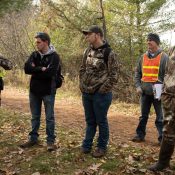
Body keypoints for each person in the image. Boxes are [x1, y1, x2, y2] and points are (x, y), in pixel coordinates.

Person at [79, 25, 119, 158]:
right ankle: (87, 145)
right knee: (90, 120)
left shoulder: (109, 53)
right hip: (86, 93)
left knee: (101, 121)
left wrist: (102, 90)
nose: (86, 37)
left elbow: (114, 76)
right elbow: (82, 69)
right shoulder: (87, 51)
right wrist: (82, 83)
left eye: (88, 34)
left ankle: (101, 147)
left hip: (101, 94)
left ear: (96, 35)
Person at [20, 32, 60, 151]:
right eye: (36, 42)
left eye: (38, 42)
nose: (36, 44)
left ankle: (50, 142)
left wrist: (35, 71)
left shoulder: (54, 56)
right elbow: (27, 69)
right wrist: (41, 69)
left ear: (46, 42)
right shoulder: (34, 54)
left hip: (48, 91)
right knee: (35, 116)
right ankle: (33, 139)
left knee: (49, 117)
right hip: (34, 91)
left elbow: (50, 73)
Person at [132, 33, 168, 144]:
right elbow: (137, 73)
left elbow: (168, 75)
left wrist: (164, 90)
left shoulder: (164, 57)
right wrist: (138, 86)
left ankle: (162, 138)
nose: (148, 42)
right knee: (143, 116)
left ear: (156, 42)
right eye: (147, 40)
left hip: (158, 92)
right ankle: (139, 135)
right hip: (144, 92)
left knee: (160, 117)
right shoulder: (143, 57)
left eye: (151, 40)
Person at [148, 46, 175, 171]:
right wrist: (162, 91)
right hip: (169, 96)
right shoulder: (172, 49)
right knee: (168, 129)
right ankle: (163, 162)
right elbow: (166, 72)